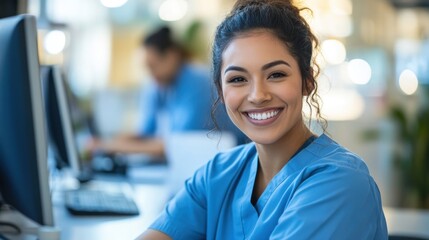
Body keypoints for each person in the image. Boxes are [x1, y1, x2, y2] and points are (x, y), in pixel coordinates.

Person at [137, 0, 388, 239]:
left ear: (307, 81)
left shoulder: (342, 184)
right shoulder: (217, 175)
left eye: (276, 74)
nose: (258, 96)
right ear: (221, 92)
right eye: (238, 79)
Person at [91, 26, 243, 159]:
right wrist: (110, 141)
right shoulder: (159, 85)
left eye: (153, 66)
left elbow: (176, 145)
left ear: (171, 56)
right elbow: (145, 132)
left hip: (229, 158)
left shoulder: (198, 81)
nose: (150, 74)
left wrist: (110, 146)